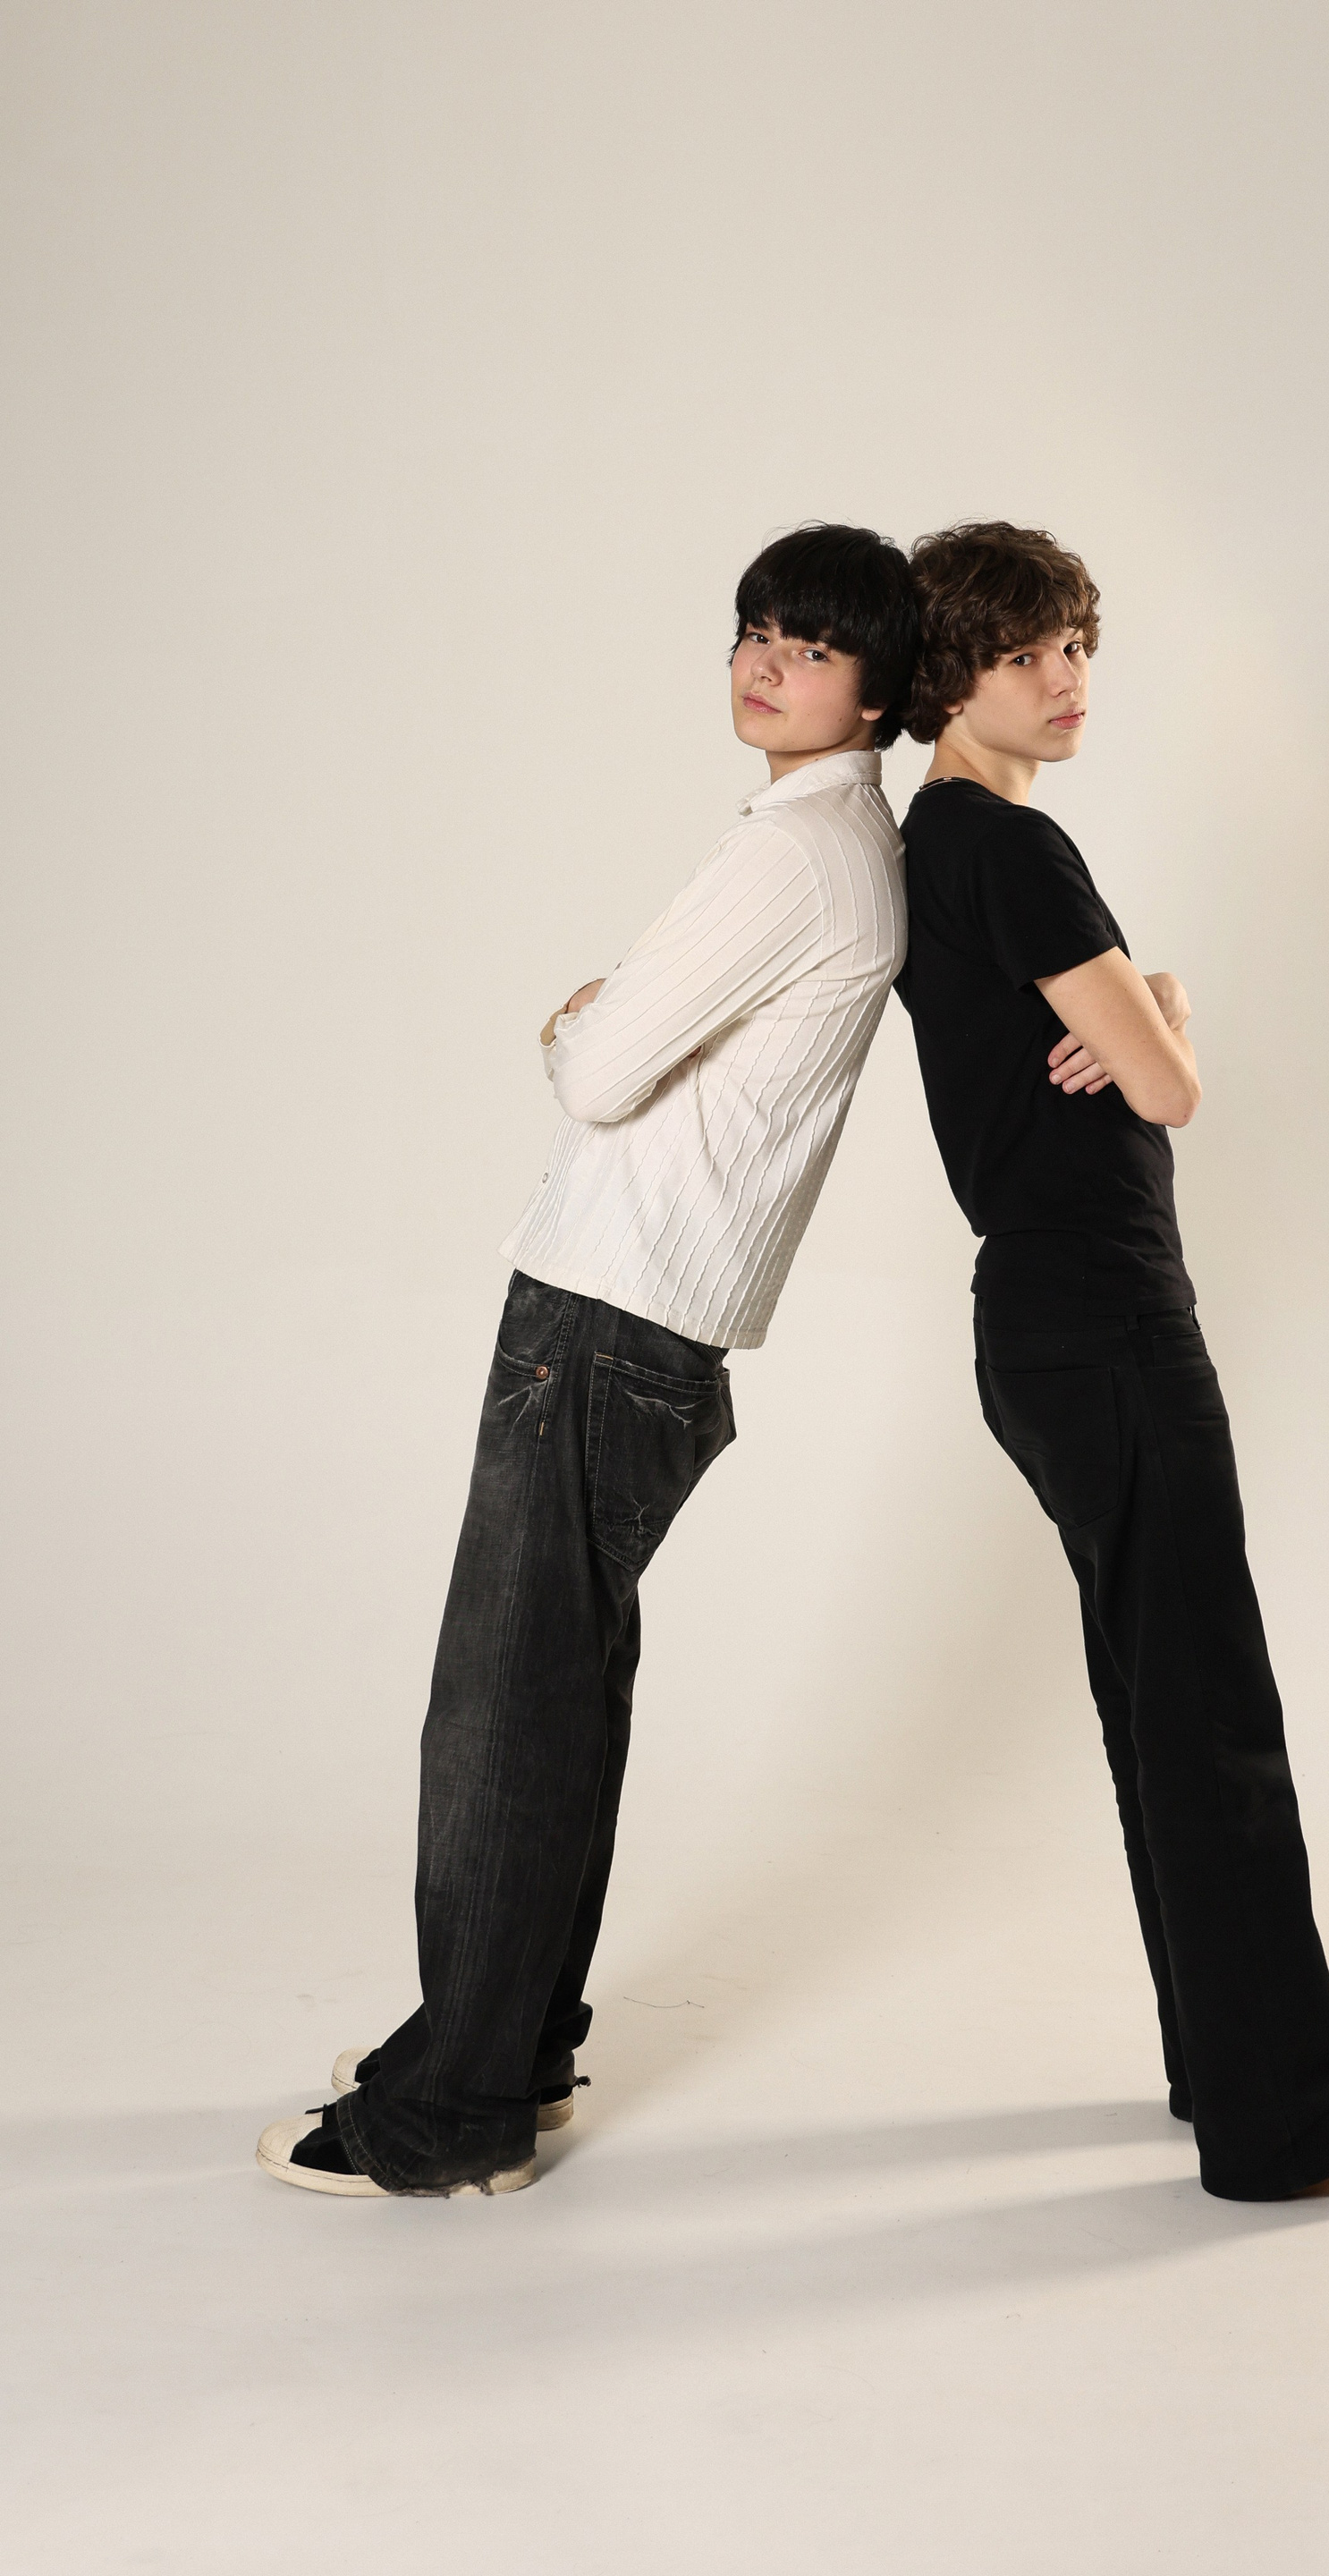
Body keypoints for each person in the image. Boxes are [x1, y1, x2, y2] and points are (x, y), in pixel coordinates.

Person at [258, 523, 918, 2196]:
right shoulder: (839, 842)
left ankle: (455, 2109)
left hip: (605, 1311)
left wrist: (579, 1015)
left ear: (877, 691)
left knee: (503, 1712)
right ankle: (511, 2041)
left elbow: (603, 1070)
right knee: (556, 1694)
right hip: (648, 1317)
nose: (766, 662)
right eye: (754, 630)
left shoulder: (794, 855)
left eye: (812, 645)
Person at [894, 521, 1329, 2199]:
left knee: (1163, 1705)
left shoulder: (944, 844)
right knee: (1206, 1709)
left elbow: (1126, 1045)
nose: (1068, 679)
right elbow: (1168, 1088)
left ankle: (1235, 2047)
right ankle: (1291, 2113)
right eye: (1027, 654)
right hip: (1103, 1323)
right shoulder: (1013, 848)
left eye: (1079, 644)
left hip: (1050, 1325)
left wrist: (1144, 996)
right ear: (954, 672)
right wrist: (1161, 1017)